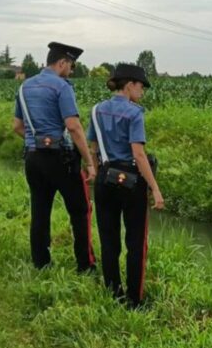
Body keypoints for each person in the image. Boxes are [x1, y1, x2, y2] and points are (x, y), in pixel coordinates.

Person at [12, 41, 97, 273]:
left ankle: (41, 263)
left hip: (33, 157)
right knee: (80, 210)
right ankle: (85, 265)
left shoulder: (24, 87)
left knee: (40, 211)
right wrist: (89, 162)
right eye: (71, 66)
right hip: (62, 158)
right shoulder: (61, 87)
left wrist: (35, 141)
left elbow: (17, 126)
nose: (71, 71)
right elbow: (74, 126)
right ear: (62, 63)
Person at [87, 63, 164, 308]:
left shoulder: (97, 110)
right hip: (131, 182)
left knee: (109, 239)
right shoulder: (134, 113)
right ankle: (134, 300)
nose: (142, 91)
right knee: (135, 243)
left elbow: (92, 148)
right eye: (141, 86)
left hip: (105, 179)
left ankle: (113, 291)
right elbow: (138, 154)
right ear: (129, 84)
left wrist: (98, 175)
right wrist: (155, 188)